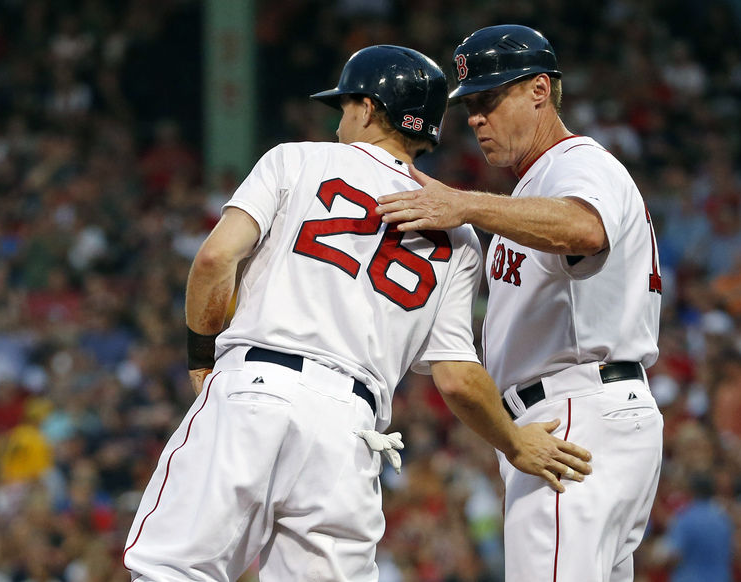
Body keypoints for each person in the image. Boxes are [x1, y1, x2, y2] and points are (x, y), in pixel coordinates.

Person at [122, 44, 592, 582]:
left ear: (367, 108)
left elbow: (214, 258)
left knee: (172, 570)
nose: (340, 119)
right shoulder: (459, 235)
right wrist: (514, 441)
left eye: (344, 106)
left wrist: (200, 356)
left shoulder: (296, 159)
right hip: (351, 432)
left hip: (257, 388)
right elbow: (458, 377)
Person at [377, 25, 664, 582]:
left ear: (539, 89)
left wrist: (462, 205)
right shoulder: (532, 187)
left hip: (574, 413)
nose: (476, 118)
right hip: (586, 416)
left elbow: (584, 228)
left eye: (489, 100)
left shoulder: (575, 162)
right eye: (469, 107)